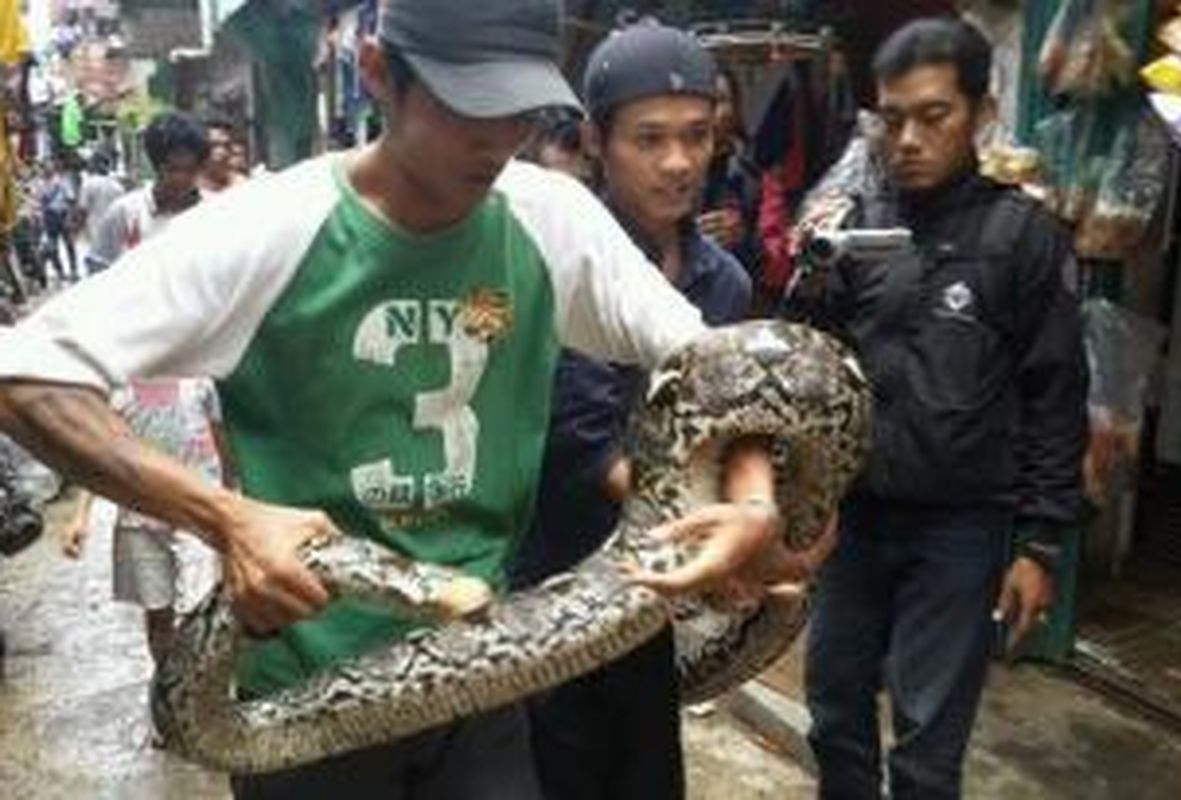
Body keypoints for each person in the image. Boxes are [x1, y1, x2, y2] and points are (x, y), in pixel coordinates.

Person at [0, 1, 817, 797]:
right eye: (469, 106)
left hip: (483, 667)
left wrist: (752, 503)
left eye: (520, 111)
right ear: (378, 73)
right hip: (303, 693)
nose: (498, 140)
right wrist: (225, 518)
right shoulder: (266, 229)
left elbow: (720, 367)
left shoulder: (552, 216)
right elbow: (25, 372)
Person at [783, 19, 1088, 800]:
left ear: (981, 114)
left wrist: (1040, 544)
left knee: (927, 741)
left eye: (933, 115)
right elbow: (808, 366)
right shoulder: (853, 225)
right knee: (834, 710)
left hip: (959, 527)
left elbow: (1055, 396)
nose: (908, 138)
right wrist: (808, 274)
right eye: (892, 118)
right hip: (852, 521)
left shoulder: (1022, 239)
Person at [508, 20, 759, 800]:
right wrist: (722, 527)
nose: (679, 162)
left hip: (652, 605)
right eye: (649, 139)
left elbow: (733, 419)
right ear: (595, 140)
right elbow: (586, 443)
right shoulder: (552, 259)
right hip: (552, 588)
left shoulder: (724, 283)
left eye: (697, 136)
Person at [62, 378, 228, 669]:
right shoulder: (118, 390)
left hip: (197, 514)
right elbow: (98, 456)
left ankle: (198, 687)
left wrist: (231, 495)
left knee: (199, 609)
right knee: (157, 612)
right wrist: (80, 516)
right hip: (139, 518)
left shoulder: (199, 380)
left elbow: (220, 439)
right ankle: (167, 686)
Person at [88, 112, 207, 272]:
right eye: (172, 169)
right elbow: (98, 273)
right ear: (156, 166)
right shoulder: (125, 212)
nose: (181, 178)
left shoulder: (211, 212)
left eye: (190, 170)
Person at [699, 66, 762, 282]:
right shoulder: (671, 169)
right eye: (705, 101)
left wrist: (743, 237)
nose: (713, 112)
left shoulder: (752, 171)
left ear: (736, 107)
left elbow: (769, 254)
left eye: (722, 100)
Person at [76, 152, 126, 274]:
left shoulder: (88, 184)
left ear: (94, 165)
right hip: (116, 236)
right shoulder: (118, 186)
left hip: (96, 236)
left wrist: (77, 229)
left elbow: (82, 210)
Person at [36, 158, 78, 282]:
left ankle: (73, 270)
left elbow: (71, 200)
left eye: (47, 166)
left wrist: (70, 217)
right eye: (43, 167)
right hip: (49, 217)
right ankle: (60, 272)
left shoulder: (62, 181)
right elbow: (38, 202)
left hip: (62, 215)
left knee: (69, 244)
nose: (45, 169)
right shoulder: (40, 184)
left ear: (53, 167)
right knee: (52, 247)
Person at [198, 119, 244, 194]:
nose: (222, 152)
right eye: (214, 145)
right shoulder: (186, 191)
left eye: (227, 145)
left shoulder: (244, 187)